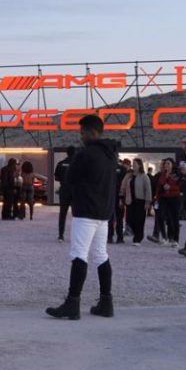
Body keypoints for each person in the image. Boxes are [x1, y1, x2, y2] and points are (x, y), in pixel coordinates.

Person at [46, 114, 117, 320]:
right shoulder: (111, 154)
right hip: (104, 213)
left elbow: (70, 178)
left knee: (79, 255)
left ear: (91, 132)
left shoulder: (86, 154)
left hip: (86, 211)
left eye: (83, 133)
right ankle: (106, 302)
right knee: (101, 255)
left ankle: (72, 303)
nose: (81, 137)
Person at [149, 158, 181, 246]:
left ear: (172, 165)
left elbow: (180, 186)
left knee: (174, 219)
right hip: (163, 198)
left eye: (168, 163)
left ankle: (175, 239)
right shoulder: (162, 175)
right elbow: (158, 186)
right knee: (160, 216)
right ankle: (164, 237)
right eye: (165, 164)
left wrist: (170, 187)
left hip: (174, 198)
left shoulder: (176, 175)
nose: (166, 165)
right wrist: (157, 197)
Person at [120, 158, 152, 245]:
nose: (133, 166)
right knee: (130, 219)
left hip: (140, 201)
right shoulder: (129, 176)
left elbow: (148, 190)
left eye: (135, 164)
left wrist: (148, 202)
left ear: (139, 165)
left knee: (140, 220)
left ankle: (138, 238)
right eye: (133, 164)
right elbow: (123, 186)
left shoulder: (144, 176)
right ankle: (133, 232)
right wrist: (121, 197)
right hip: (130, 200)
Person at [54, 147, 76, 241]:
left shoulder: (61, 163)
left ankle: (61, 235)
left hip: (64, 190)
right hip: (75, 191)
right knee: (76, 214)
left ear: (67, 153)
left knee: (63, 213)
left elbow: (56, 177)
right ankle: (75, 235)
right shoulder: (77, 164)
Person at [109, 158, 130, 244]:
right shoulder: (123, 169)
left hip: (111, 196)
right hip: (118, 196)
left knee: (111, 217)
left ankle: (110, 236)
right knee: (119, 218)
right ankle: (119, 237)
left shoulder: (108, 168)